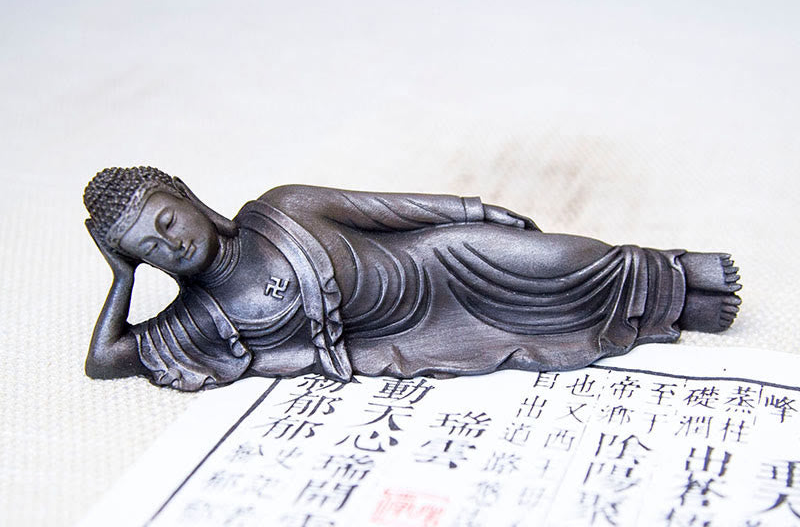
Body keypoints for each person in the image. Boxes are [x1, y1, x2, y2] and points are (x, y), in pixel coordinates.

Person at [83, 167, 741, 391]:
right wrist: (120, 277)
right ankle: (673, 311)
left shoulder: (281, 210)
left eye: (167, 220)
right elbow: (106, 360)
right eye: (150, 249)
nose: (173, 242)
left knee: (564, 262)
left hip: (440, 259)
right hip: (411, 333)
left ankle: (677, 274)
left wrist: (475, 212)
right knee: (551, 321)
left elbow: (385, 209)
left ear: (187, 197)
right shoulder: (203, 318)